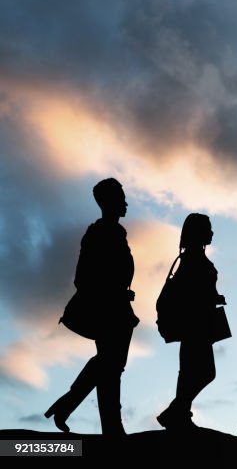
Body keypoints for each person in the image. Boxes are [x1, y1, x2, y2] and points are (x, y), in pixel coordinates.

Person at [45, 178, 139, 436]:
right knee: (111, 365)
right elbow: (82, 277)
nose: (125, 202)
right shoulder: (99, 233)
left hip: (118, 306)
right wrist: (109, 292)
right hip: (108, 308)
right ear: (107, 202)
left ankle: (79, 411)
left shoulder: (117, 232)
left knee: (111, 366)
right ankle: (108, 425)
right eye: (120, 197)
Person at [157, 213, 227, 430]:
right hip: (194, 325)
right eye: (208, 228)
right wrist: (210, 297)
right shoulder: (192, 259)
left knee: (191, 371)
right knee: (202, 372)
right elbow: (191, 293)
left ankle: (179, 413)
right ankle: (177, 412)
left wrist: (213, 297)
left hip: (199, 323)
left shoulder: (192, 258)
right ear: (198, 232)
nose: (212, 232)